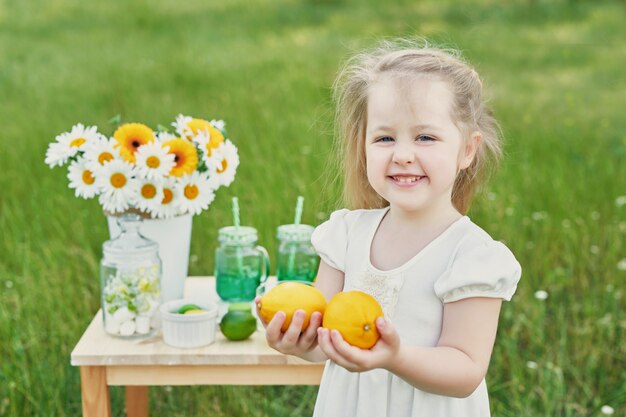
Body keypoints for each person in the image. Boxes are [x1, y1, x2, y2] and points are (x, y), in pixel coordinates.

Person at [258, 39, 522, 417]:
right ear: (362, 146)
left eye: (425, 137)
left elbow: (465, 369)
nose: (402, 155)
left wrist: (394, 357)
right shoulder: (347, 234)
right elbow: (324, 339)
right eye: (384, 138)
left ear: (467, 150)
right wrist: (299, 342)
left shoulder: (472, 257)